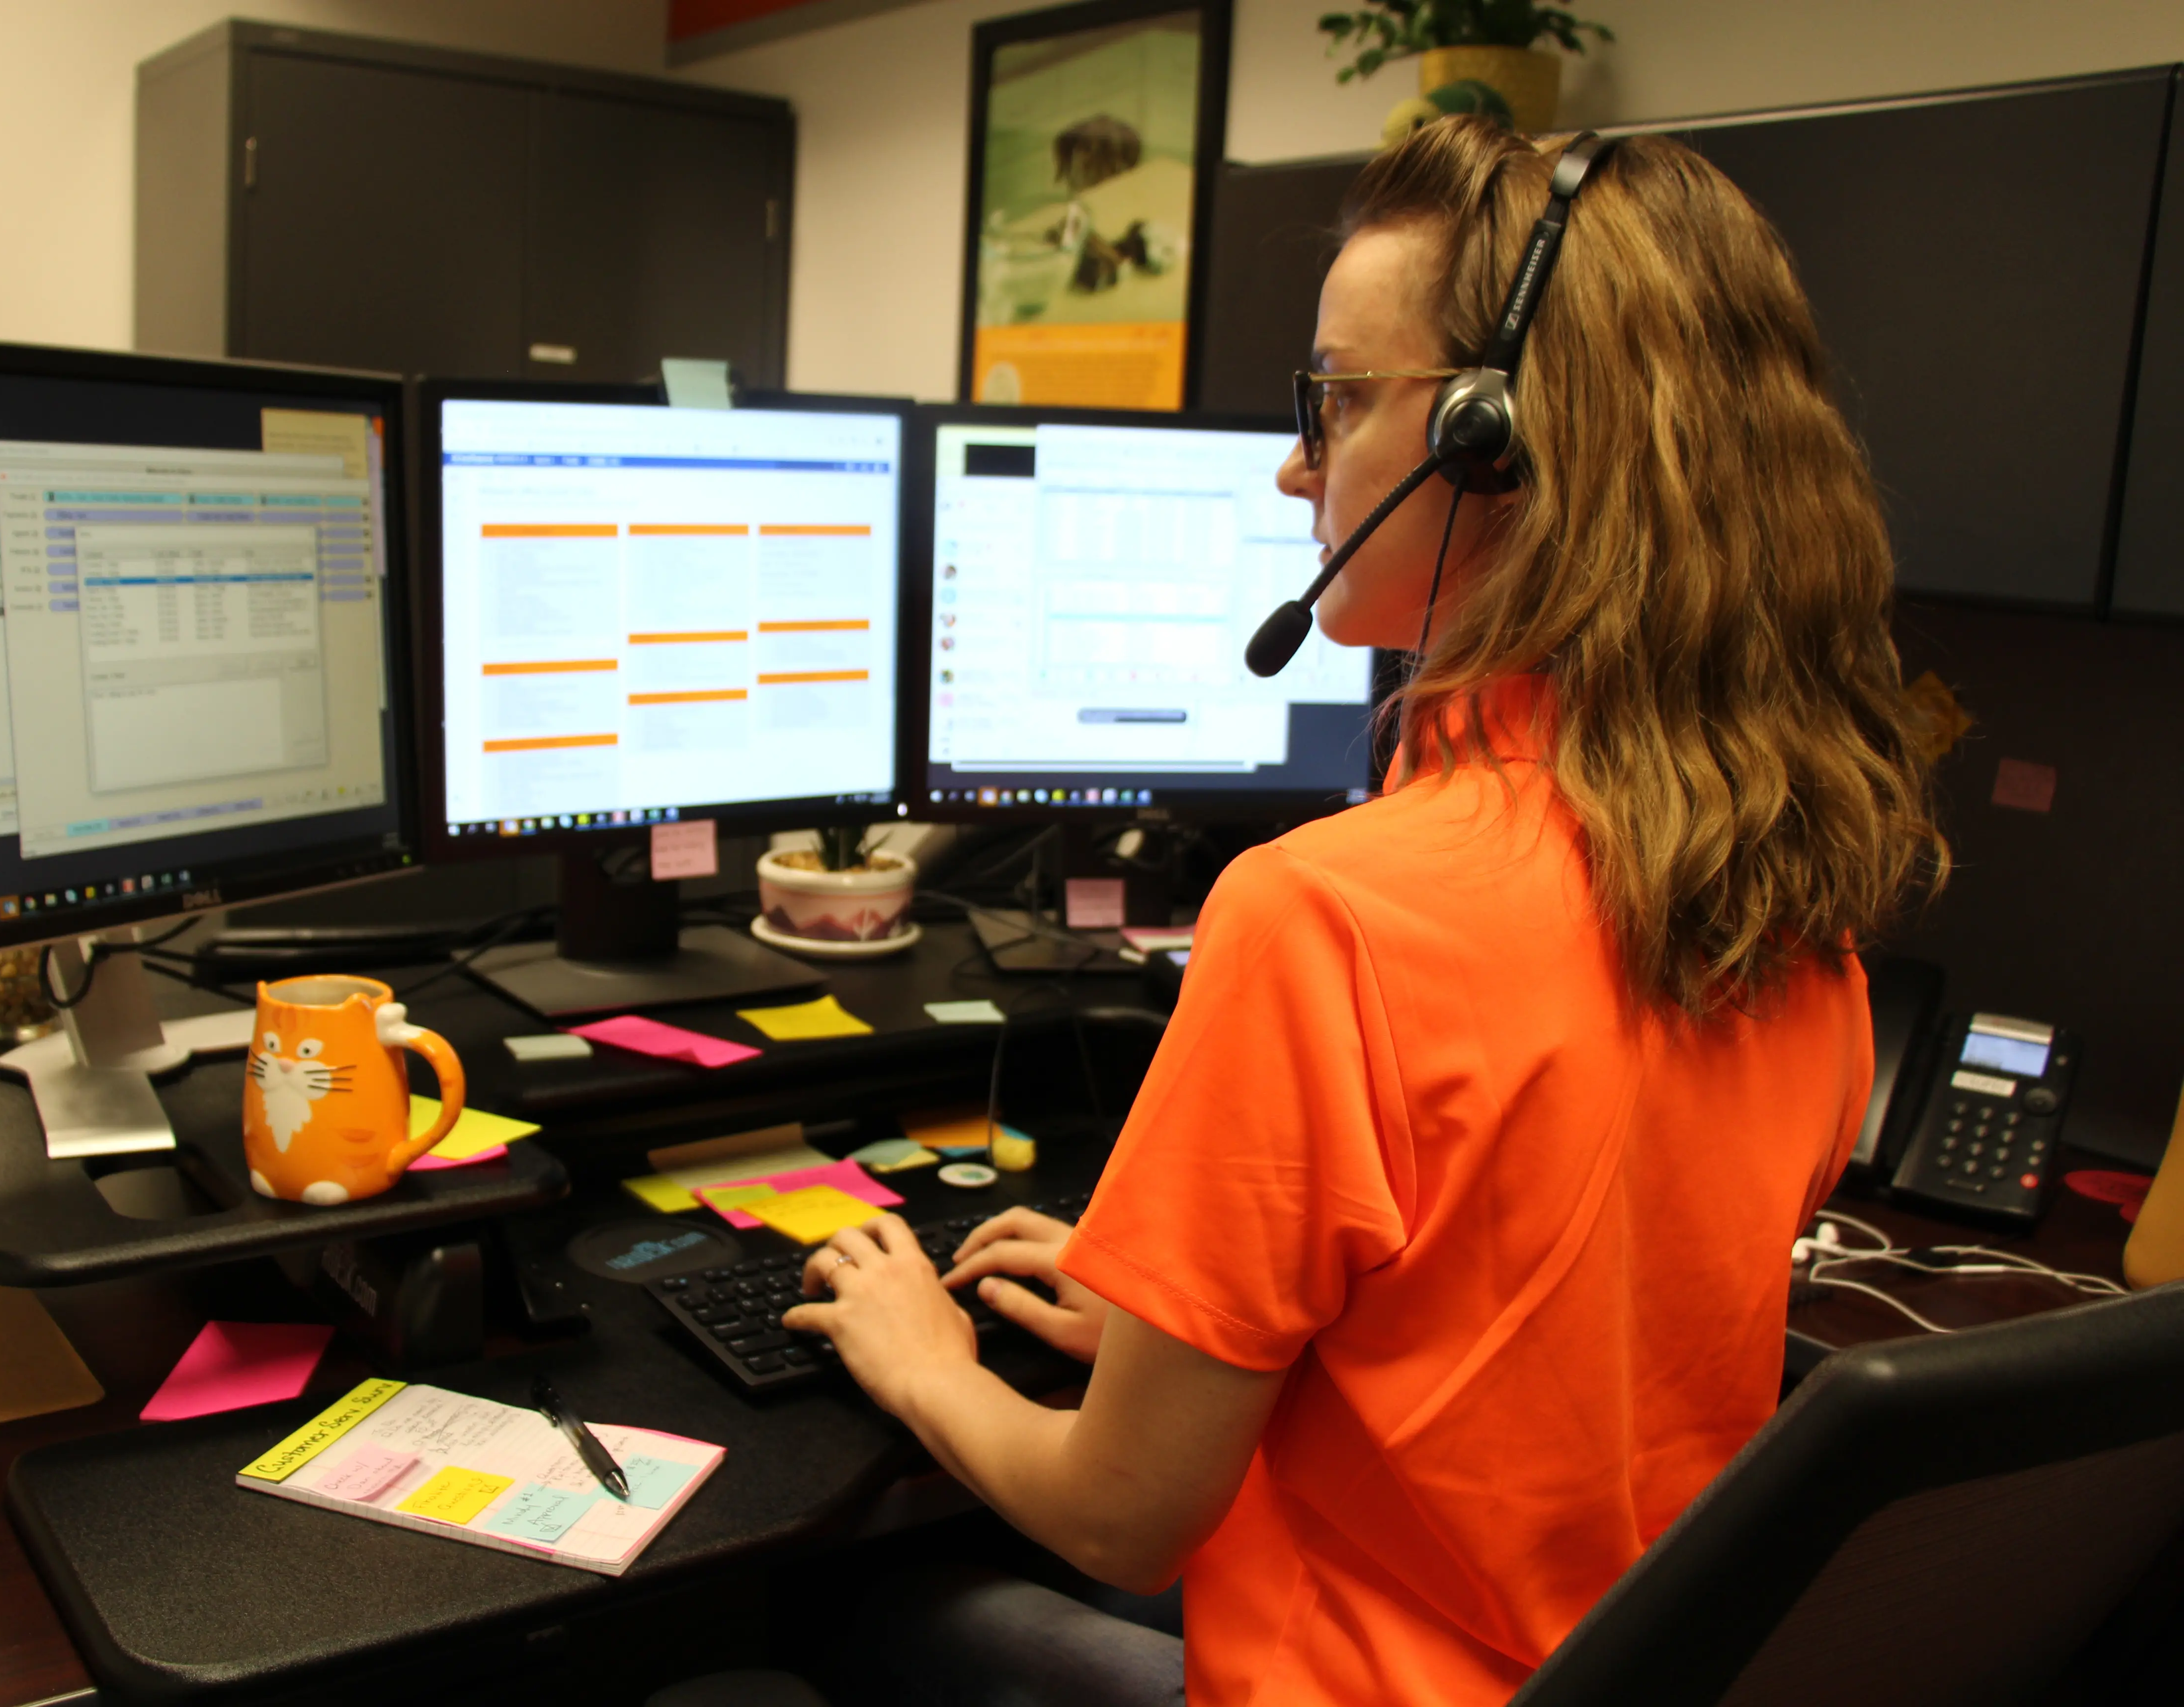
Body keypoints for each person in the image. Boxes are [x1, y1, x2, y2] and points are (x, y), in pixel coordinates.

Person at [783, 118, 1944, 1707]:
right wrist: (1183, 1343)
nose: (1293, 463)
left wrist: (922, 1359)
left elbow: (1121, 1520)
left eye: (1331, 400)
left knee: (827, 1631)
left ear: (1493, 443)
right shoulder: (1788, 892)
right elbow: (1522, 1357)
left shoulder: (1328, 916)